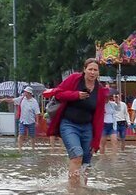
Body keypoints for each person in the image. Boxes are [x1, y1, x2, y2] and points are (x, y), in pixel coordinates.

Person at [47, 58, 109, 187]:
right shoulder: (75, 79)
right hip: (69, 124)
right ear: (84, 70)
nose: (92, 72)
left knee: (86, 161)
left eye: (95, 70)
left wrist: (96, 142)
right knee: (77, 155)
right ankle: (74, 191)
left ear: (98, 73)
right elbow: (57, 94)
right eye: (90, 69)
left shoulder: (100, 91)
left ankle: (83, 190)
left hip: (87, 128)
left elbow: (99, 118)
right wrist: (75, 95)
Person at [4, 86, 40, 151]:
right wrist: (3, 100)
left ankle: (33, 148)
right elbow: (12, 100)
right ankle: (20, 149)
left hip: (31, 121)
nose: (24, 93)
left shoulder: (34, 101)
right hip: (22, 121)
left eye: (25, 92)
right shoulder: (21, 99)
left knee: (32, 136)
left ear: (29, 93)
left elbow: (37, 112)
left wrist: (37, 122)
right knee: (21, 134)